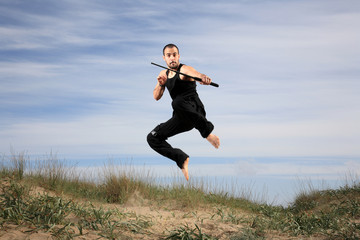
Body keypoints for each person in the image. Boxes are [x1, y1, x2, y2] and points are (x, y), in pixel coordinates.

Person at [147, 43, 220, 181]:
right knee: (152, 138)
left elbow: (196, 74)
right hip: (181, 117)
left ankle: (207, 132)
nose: (172, 58)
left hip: (195, 111)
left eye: (174, 55)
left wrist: (203, 77)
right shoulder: (163, 73)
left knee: (177, 102)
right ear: (164, 58)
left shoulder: (185, 69)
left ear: (178, 56)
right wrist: (161, 84)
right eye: (169, 55)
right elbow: (156, 97)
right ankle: (181, 159)